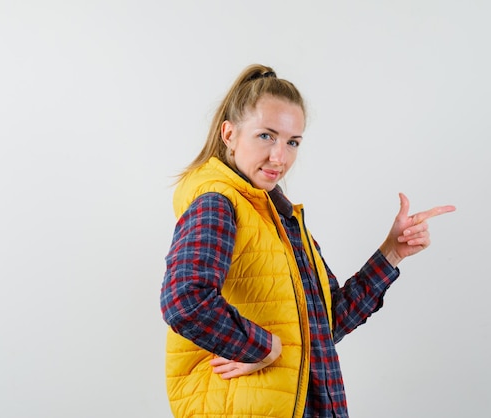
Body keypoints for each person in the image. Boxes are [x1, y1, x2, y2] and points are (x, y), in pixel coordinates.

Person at [159, 64, 455, 418]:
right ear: (229, 134)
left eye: (292, 142)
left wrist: (391, 252)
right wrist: (262, 348)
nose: (279, 157)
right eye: (266, 136)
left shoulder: (282, 218)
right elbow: (185, 300)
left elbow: (326, 324)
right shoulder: (218, 202)